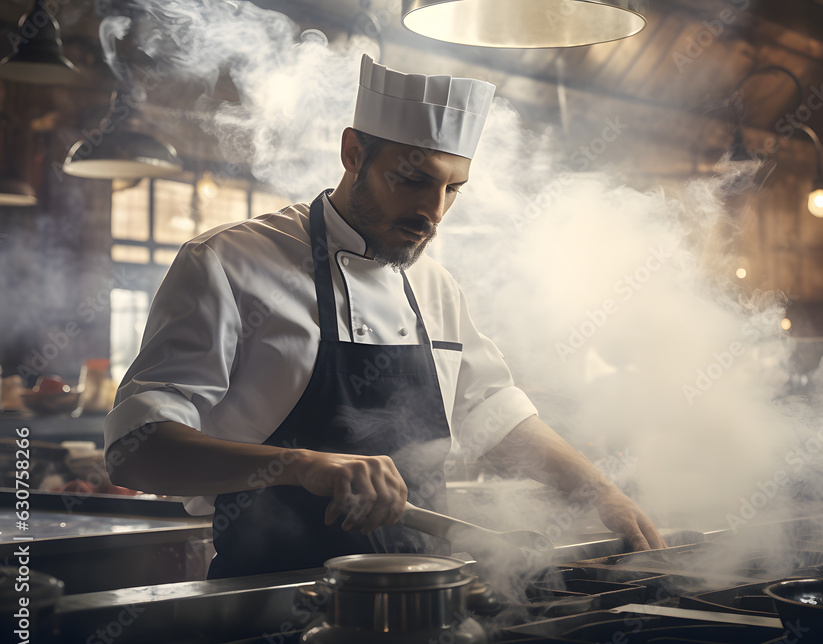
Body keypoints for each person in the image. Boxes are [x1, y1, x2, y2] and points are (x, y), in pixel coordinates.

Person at [104, 55, 665, 579]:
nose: (433, 213)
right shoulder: (229, 262)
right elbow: (137, 451)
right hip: (271, 606)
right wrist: (299, 465)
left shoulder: (435, 286)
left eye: (453, 189)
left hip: (427, 598)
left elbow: (493, 416)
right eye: (414, 179)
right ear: (354, 153)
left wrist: (599, 491)